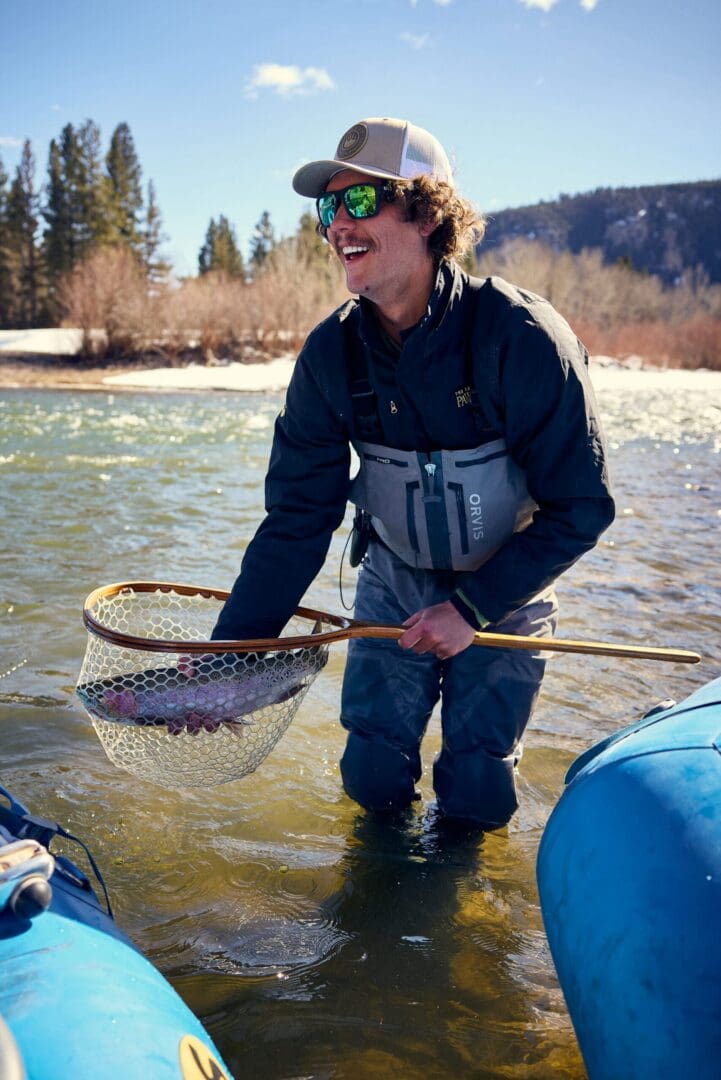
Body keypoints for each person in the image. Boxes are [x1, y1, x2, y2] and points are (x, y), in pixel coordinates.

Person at [211, 117, 615, 829]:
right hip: (392, 576)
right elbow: (297, 520)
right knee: (370, 776)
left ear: (428, 215)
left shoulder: (522, 338)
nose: (338, 223)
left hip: (506, 587)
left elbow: (581, 507)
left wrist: (471, 609)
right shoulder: (329, 355)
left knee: (477, 790)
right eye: (328, 208)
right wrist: (228, 661)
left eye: (361, 200)